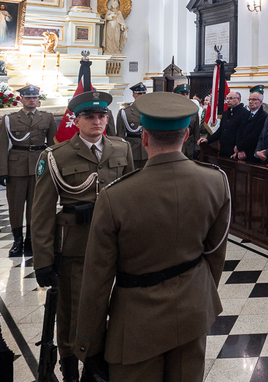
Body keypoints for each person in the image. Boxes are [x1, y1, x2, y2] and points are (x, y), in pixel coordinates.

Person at [75, 92, 231, 380]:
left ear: (144, 137)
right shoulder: (216, 181)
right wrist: (199, 296)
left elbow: (97, 279)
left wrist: (88, 343)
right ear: (185, 135)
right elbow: (215, 255)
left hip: (136, 322)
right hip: (193, 310)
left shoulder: (115, 197)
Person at [31, 91, 134, 382]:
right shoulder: (55, 156)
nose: (98, 122)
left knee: (114, 303)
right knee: (73, 307)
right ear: (76, 121)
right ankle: (70, 362)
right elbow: (41, 213)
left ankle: (99, 358)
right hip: (76, 245)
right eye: (90, 117)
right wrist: (43, 260)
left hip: (115, 243)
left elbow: (132, 197)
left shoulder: (120, 148)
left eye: (102, 116)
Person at [0, 84, 58, 257]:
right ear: (21, 99)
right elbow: (1, 146)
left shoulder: (47, 117)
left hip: (39, 166)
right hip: (16, 167)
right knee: (15, 205)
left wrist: (55, 167)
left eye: (35, 97)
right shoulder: (10, 118)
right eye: (28, 97)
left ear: (38, 99)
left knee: (35, 206)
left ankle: (30, 239)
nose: (32, 100)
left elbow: (53, 145)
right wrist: (1, 170)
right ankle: (17, 241)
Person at [115, 82, 148, 167]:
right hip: (132, 150)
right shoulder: (125, 112)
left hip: (148, 150)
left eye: (144, 93)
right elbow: (120, 135)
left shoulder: (150, 111)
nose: (142, 95)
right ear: (134, 95)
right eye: (139, 93)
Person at [204, 91, 245, 158]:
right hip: (223, 148)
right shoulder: (226, 113)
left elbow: (243, 134)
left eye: (231, 98)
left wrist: (240, 149)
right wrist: (208, 139)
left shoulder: (244, 114)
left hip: (235, 150)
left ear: (239, 99)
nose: (228, 101)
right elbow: (221, 131)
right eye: (227, 98)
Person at [234, 90, 268, 160]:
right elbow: (239, 131)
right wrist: (239, 148)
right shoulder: (246, 114)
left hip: (252, 152)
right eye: (250, 99)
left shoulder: (263, 116)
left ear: (260, 102)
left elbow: (254, 136)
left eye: (254, 99)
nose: (250, 102)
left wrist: (240, 147)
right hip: (241, 150)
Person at [172, 84, 202, 159]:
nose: (185, 96)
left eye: (187, 94)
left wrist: (197, 147)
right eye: (182, 94)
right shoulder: (171, 109)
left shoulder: (193, 110)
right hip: (174, 145)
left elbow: (196, 130)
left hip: (189, 146)